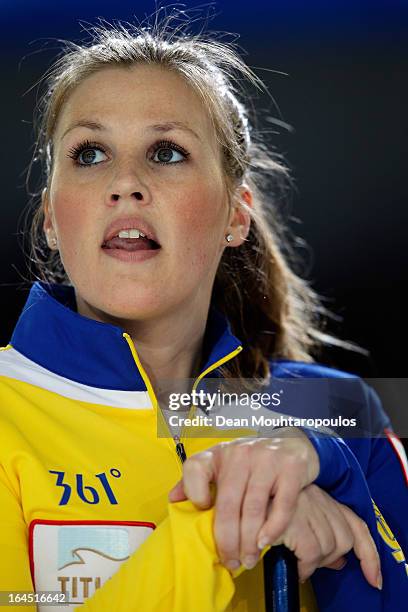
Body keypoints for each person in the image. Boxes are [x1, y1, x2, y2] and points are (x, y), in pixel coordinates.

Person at [1, 12, 407, 611]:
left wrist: (332, 469)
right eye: (89, 154)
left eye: (166, 152)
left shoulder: (339, 413)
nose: (126, 183)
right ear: (52, 218)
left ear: (236, 215)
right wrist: (219, 530)